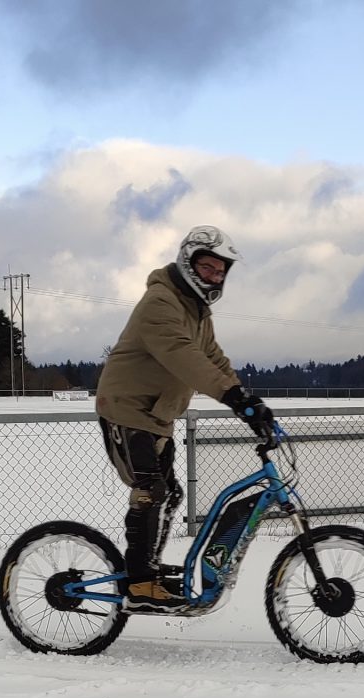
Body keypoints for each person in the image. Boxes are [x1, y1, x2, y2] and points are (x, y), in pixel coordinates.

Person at [95, 225, 274, 611]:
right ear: (188, 261)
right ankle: (140, 583)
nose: (215, 276)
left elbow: (213, 359)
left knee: (171, 492)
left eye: (221, 271)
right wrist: (230, 396)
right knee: (150, 491)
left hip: (157, 414)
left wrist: (246, 400)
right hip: (127, 409)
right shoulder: (160, 302)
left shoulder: (197, 312)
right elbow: (185, 357)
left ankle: (148, 568)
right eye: (208, 267)